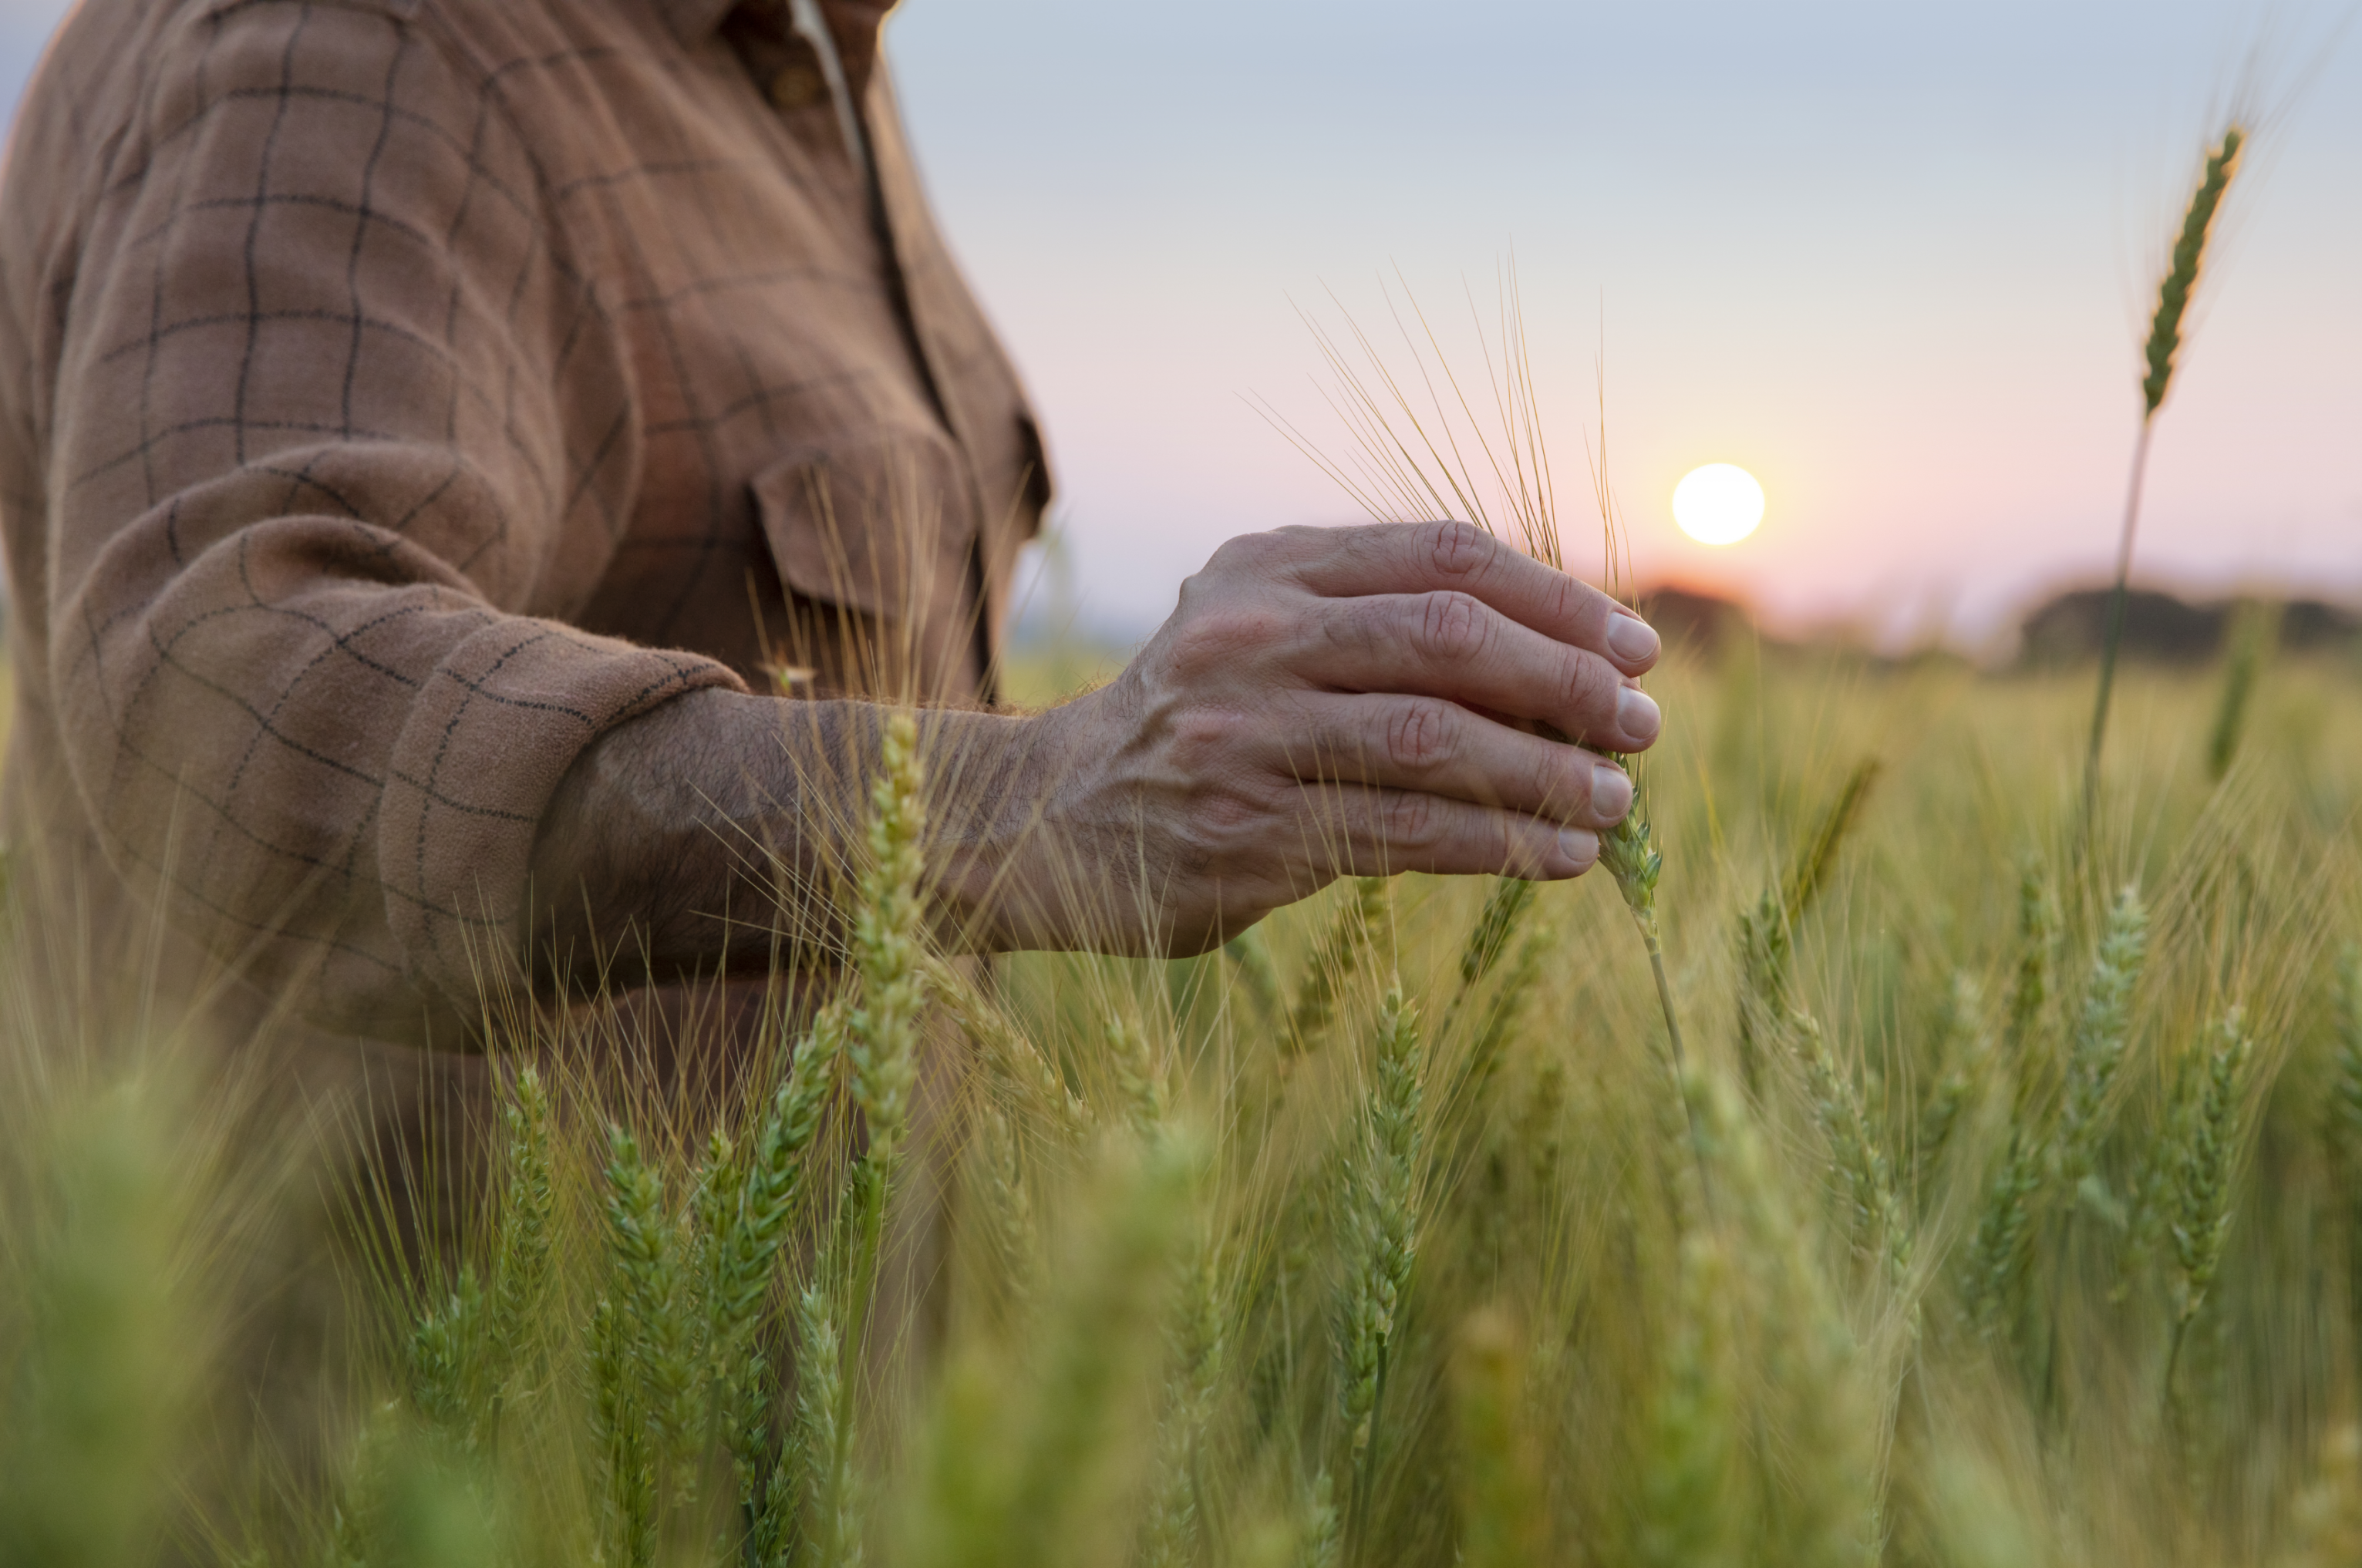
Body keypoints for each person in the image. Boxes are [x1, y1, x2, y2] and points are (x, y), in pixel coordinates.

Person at [0, 0, 1659, 1156]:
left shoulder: (812, 65)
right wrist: (1025, 804)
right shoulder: (365, 45)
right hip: (434, 1469)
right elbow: (224, 705)